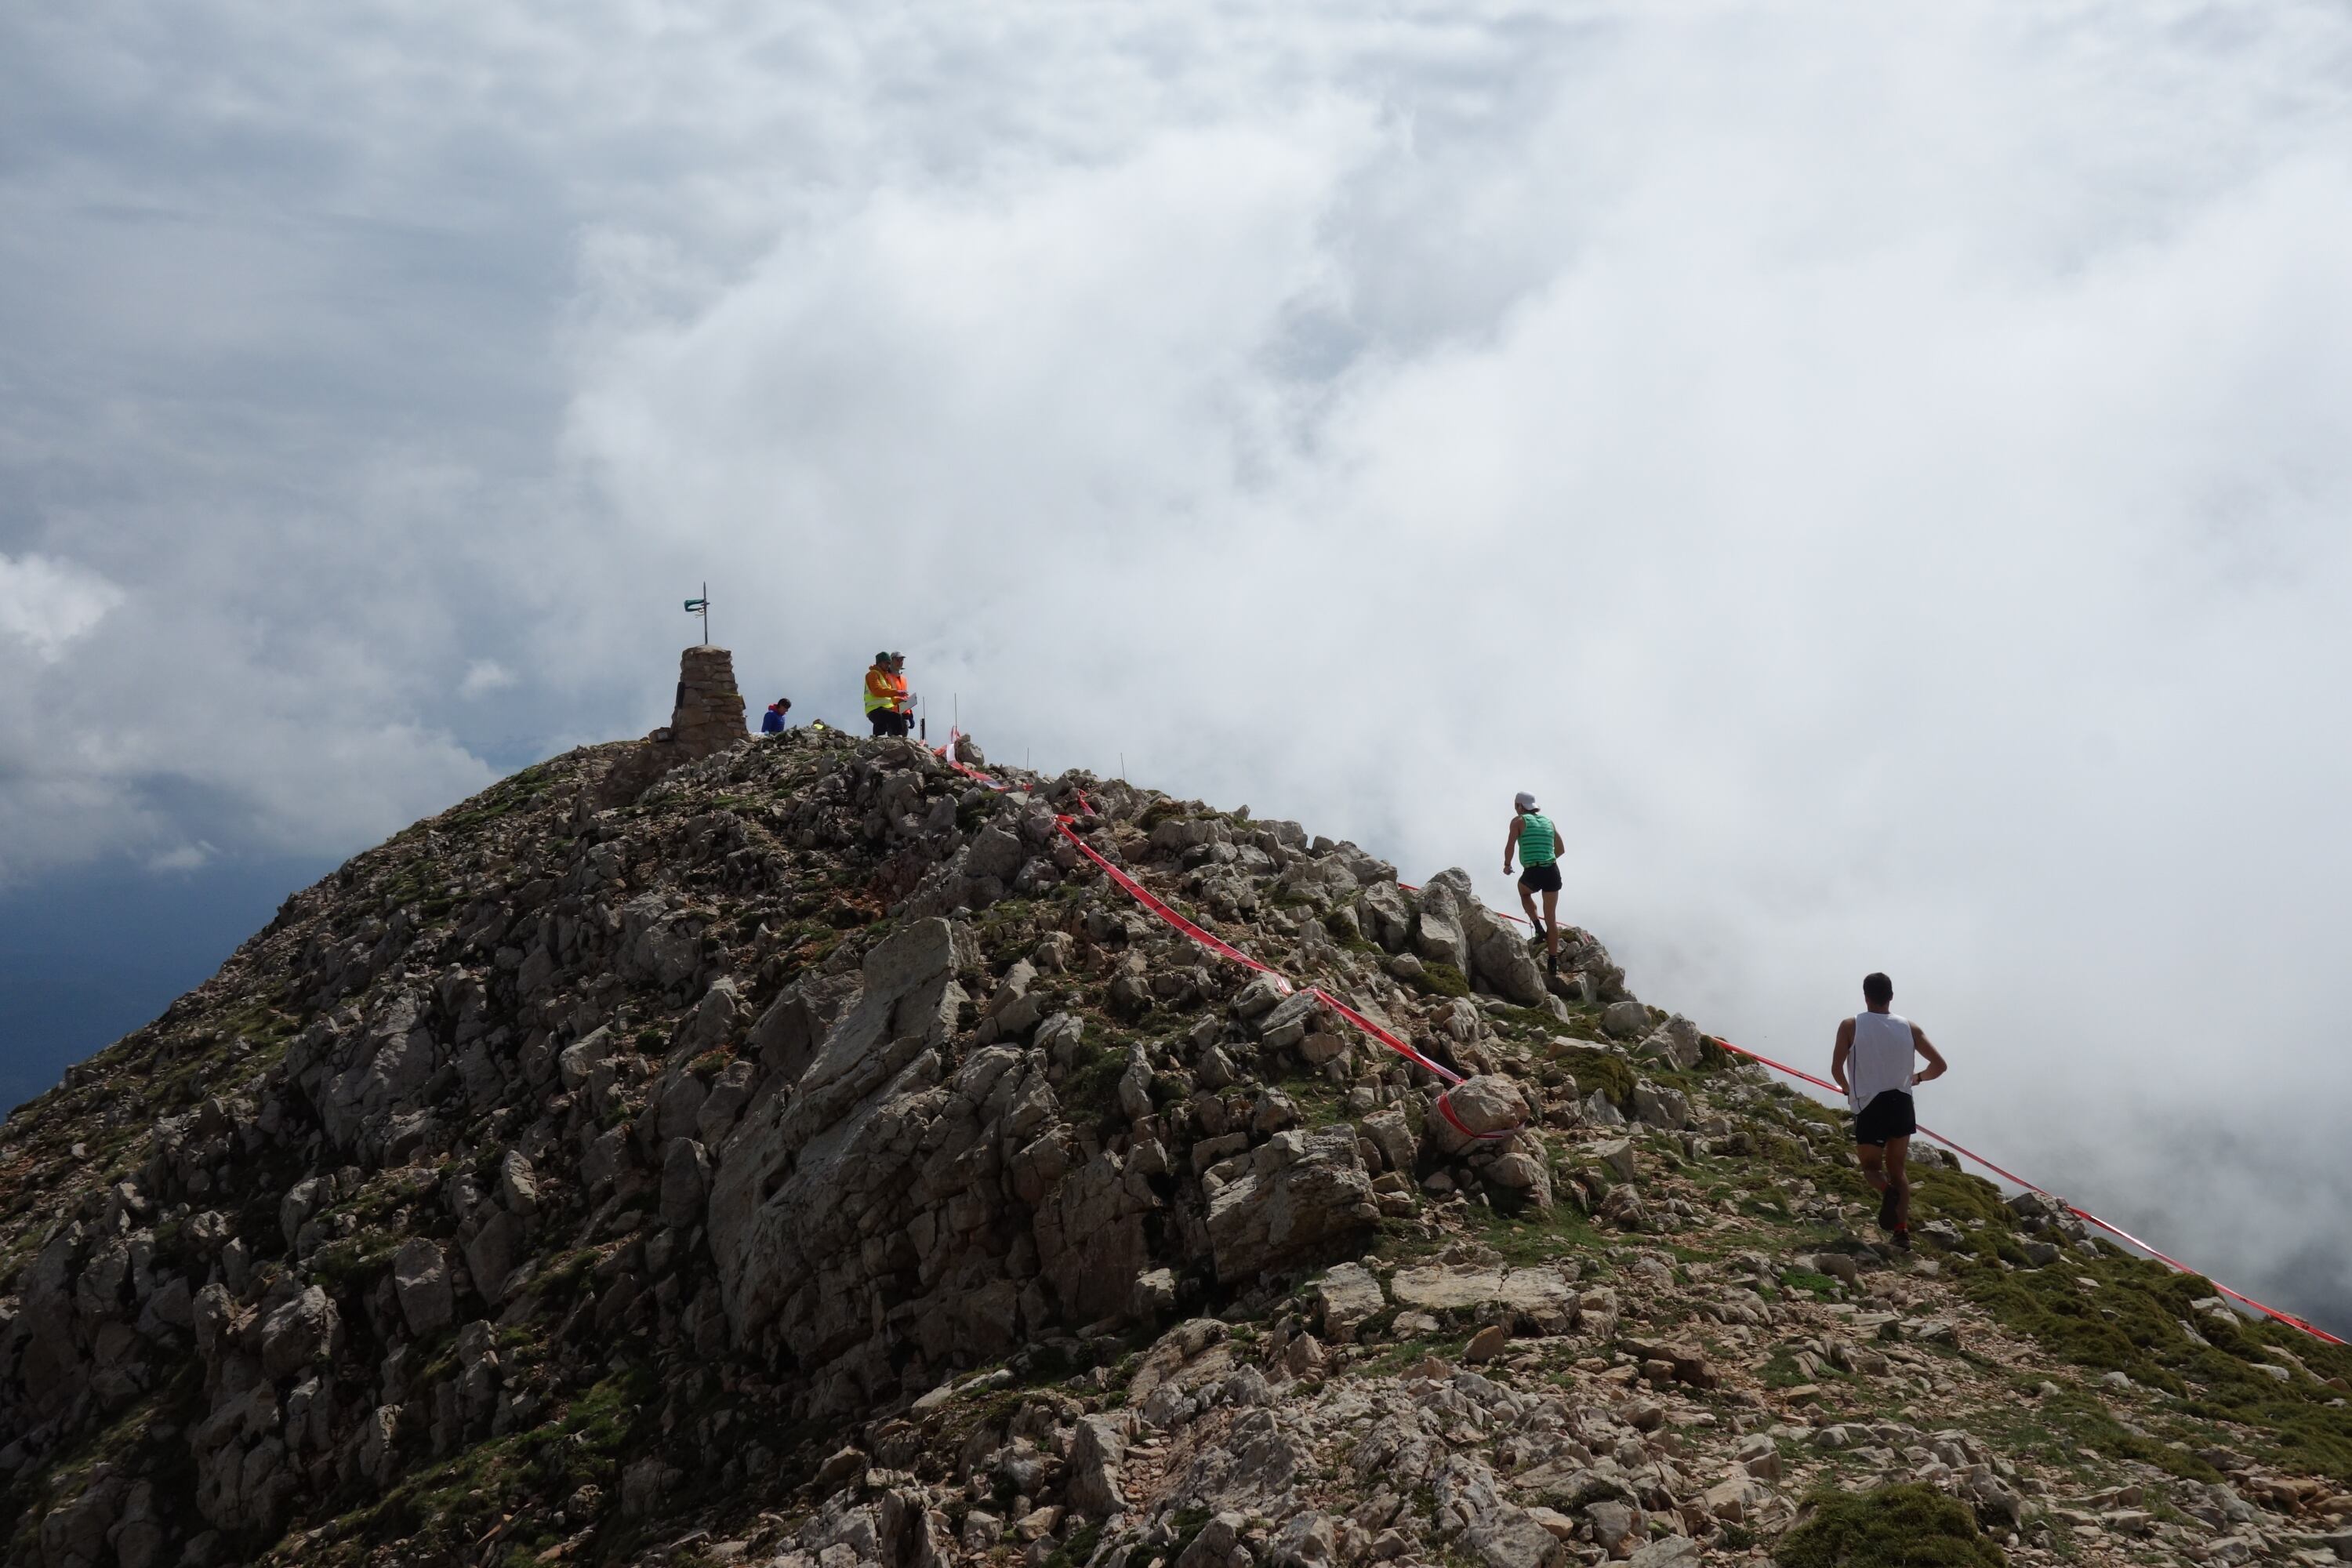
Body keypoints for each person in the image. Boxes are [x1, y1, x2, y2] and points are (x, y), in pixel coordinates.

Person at [1830, 971, 1948, 1250]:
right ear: (1891, 996)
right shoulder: (1910, 1028)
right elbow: (1940, 1066)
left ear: (1865, 997)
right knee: (1898, 1168)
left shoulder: (1851, 1025)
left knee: (1872, 1167)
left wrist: (1848, 1090)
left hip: (1869, 1104)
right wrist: (1917, 1078)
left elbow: (1836, 1069)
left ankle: (1887, 1193)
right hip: (1902, 1103)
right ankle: (1902, 1232)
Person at [1502, 791, 1566, 973]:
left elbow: (1510, 846)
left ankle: (1537, 927)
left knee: (1523, 891)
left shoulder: (1518, 822)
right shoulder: (1549, 822)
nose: (1515, 809)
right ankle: (1553, 962)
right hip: (1552, 870)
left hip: (1533, 870)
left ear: (1520, 806)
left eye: (1516, 806)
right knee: (1552, 918)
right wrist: (1548, 859)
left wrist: (1507, 865)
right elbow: (1561, 848)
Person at [863, 654, 908, 737]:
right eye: (886, 663)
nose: (888, 665)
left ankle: (878, 742)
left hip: (881, 709)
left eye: (889, 663)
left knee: (881, 727)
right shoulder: (873, 674)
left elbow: (888, 699)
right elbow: (877, 691)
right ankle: (897, 740)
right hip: (874, 709)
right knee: (896, 716)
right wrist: (897, 692)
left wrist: (899, 700)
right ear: (880, 663)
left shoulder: (884, 678)